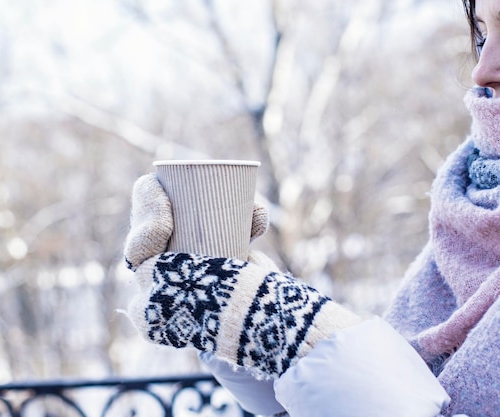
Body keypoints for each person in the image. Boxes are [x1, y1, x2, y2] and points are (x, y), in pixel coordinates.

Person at [123, 0, 500, 415]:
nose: (482, 70)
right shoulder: (463, 225)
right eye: (483, 35)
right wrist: (245, 324)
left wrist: (303, 335)